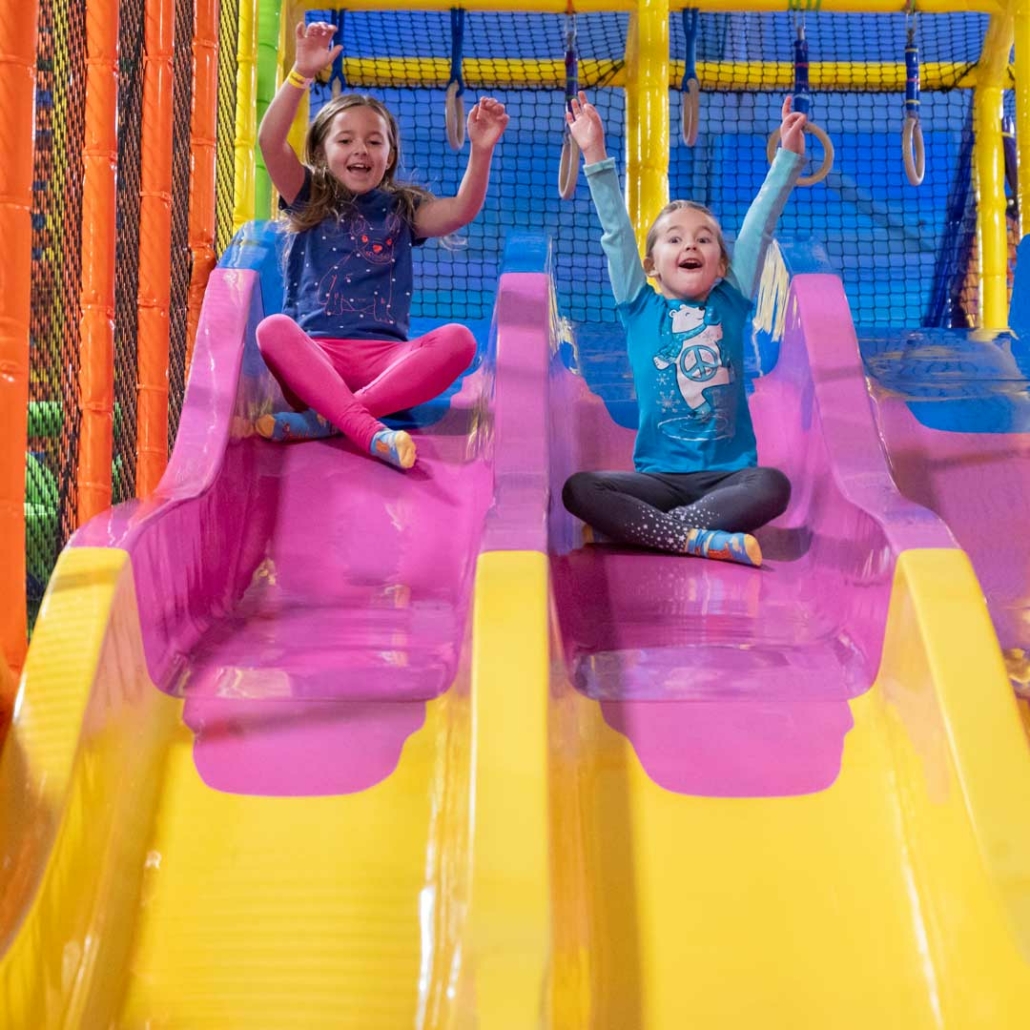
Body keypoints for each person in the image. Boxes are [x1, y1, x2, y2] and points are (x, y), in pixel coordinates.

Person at [560, 92, 806, 567]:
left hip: (730, 482)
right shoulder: (639, 306)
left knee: (774, 485)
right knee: (580, 488)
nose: (689, 244)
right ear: (651, 264)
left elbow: (758, 227)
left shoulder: (729, 302)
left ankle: (654, 535)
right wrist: (593, 153)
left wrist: (787, 160)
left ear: (720, 265)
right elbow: (615, 232)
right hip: (657, 483)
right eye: (674, 238)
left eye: (704, 238)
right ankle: (696, 537)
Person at [254, 20, 509, 469]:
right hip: (316, 360)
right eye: (346, 140)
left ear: (389, 156)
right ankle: (366, 427)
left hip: (385, 363)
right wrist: (301, 74)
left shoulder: (401, 208)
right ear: (320, 153)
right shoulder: (307, 193)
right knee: (272, 330)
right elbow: (270, 142)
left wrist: (481, 151)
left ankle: (332, 420)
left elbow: (460, 211)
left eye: (375, 142)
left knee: (459, 341)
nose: (361, 150)